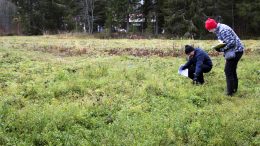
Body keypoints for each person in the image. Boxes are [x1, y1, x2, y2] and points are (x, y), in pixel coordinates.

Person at [205, 18, 244, 96]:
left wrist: (221, 49)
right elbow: (225, 42)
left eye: (209, 29)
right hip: (235, 51)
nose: (209, 31)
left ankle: (229, 93)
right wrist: (219, 47)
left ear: (212, 27)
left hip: (236, 51)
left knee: (228, 71)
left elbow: (231, 43)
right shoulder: (219, 29)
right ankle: (233, 89)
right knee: (232, 71)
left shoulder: (223, 30)